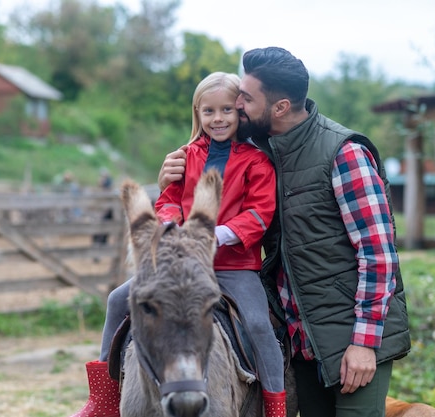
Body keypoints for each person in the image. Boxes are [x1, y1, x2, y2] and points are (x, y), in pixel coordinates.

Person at [158, 47, 411, 417]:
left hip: (350, 342)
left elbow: (378, 255)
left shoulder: (344, 154)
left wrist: (364, 343)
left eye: (245, 98)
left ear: (279, 107)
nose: (237, 104)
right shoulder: (265, 150)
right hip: (302, 342)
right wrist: (167, 181)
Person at [71, 72, 286, 417]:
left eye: (227, 110)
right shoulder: (184, 156)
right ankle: (104, 399)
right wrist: (171, 226)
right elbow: (168, 200)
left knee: (259, 325)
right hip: (178, 265)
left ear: (239, 113)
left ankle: (276, 405)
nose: (218, 119)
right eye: (209, 111)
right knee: (116, 300)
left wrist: (212, 236)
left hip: (233, 266)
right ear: (197, 114)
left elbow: (260, 214)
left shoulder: (256, 161)